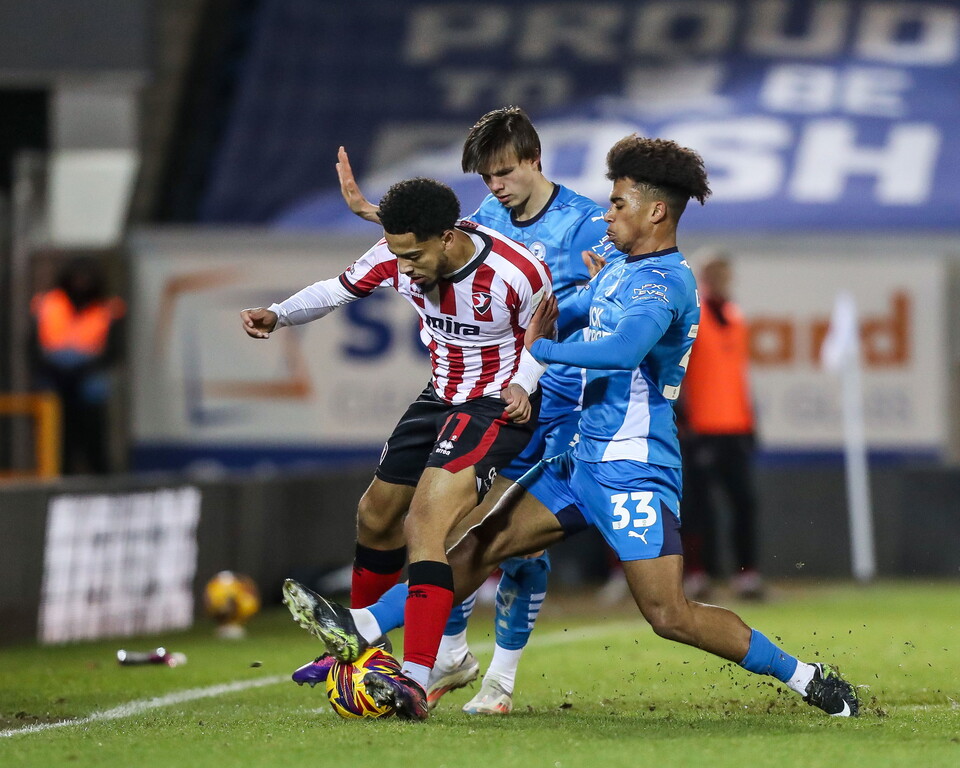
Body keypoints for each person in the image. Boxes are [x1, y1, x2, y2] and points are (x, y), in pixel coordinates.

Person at [288, 135, 860, 721]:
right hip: (580, 459)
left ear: (655, 211)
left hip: (633, 468)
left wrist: (545, 350)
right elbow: (557, 307)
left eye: (617, 204)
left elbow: (621, 349)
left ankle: (807, 677)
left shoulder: (664, 283)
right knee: (479, 545)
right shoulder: (618, 269)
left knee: (669, 616)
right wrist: (527, 368)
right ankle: (361, 629)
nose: (605, 213)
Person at [314, 106, 621, 714]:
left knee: (519, 546)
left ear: (535, 160)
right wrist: (374, 215)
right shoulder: (481, 219)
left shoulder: (588, 223)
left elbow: (624, 287)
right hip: (498, 399)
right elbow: (433, 233)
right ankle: (448, 652)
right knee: (456, 531)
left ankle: (499, 680)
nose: (497, 185)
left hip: (561, 404)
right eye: (486, 177)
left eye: (505, 171)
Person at [242, 177, 553, 721]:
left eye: (413, 255)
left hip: (494, 405)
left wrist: (523, 384)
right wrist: (279, 313)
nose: (403, 267)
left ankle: (414, 677)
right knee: (375, 514)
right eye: (397, 254)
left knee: (426, 524)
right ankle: (363, 653)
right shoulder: (395, 252)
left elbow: (542, 337)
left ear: (448, 236)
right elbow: (337, 289)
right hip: (439, 394)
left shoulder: (515, 270)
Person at [678, 253, 764, 600]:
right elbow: (679, 370)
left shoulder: (734, 316)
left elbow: (737, 376)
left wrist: (750, 421)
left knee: (744, 502)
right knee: (699, 508)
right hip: (701, 427)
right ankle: (699, 573)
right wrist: (684, 417)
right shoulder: (692, 315)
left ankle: (747, 574)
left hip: (734, 425)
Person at [30, 256, 125, 474]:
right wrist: (51, 369)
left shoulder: (107, 307)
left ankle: (99, 479)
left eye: (86, 278)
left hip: (89, 379)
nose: (81, 283)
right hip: (54, 376)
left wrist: (84, 369)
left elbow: (114, 350)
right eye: (77, 277)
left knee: (93, 436)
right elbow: (32, 345)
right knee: (57, 438)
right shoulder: (48, 303)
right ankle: (57, 478)